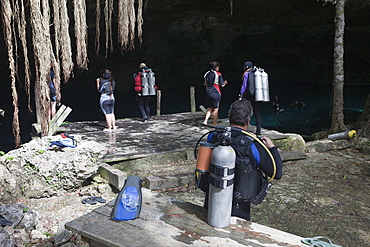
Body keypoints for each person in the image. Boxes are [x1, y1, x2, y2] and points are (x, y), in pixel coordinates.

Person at [200, 98, 283, 221]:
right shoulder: (252, 145)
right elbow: (277, 173)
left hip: (212, 201)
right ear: (248, 121)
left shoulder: (213, 137)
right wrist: (271, 147)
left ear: (229, 118)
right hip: (239, 209)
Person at [238, 61, 262, 135]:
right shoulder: (258, 72)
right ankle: (259, 131)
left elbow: (244, 85)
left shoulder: (247, 74)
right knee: (257, 113)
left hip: (249, 96)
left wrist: (240, 94)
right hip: (258, 95)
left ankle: (244, 129)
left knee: (247, 112)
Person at [202, 61, 228, 126]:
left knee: (210, 107)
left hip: (208, 92)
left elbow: (205, 84)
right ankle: (214, 124)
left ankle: (205, 121)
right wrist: (225, 83)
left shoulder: (206, 74)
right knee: (216, 108)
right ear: (216, 67)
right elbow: (222, 85)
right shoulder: (218, 74)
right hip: (216, 92)